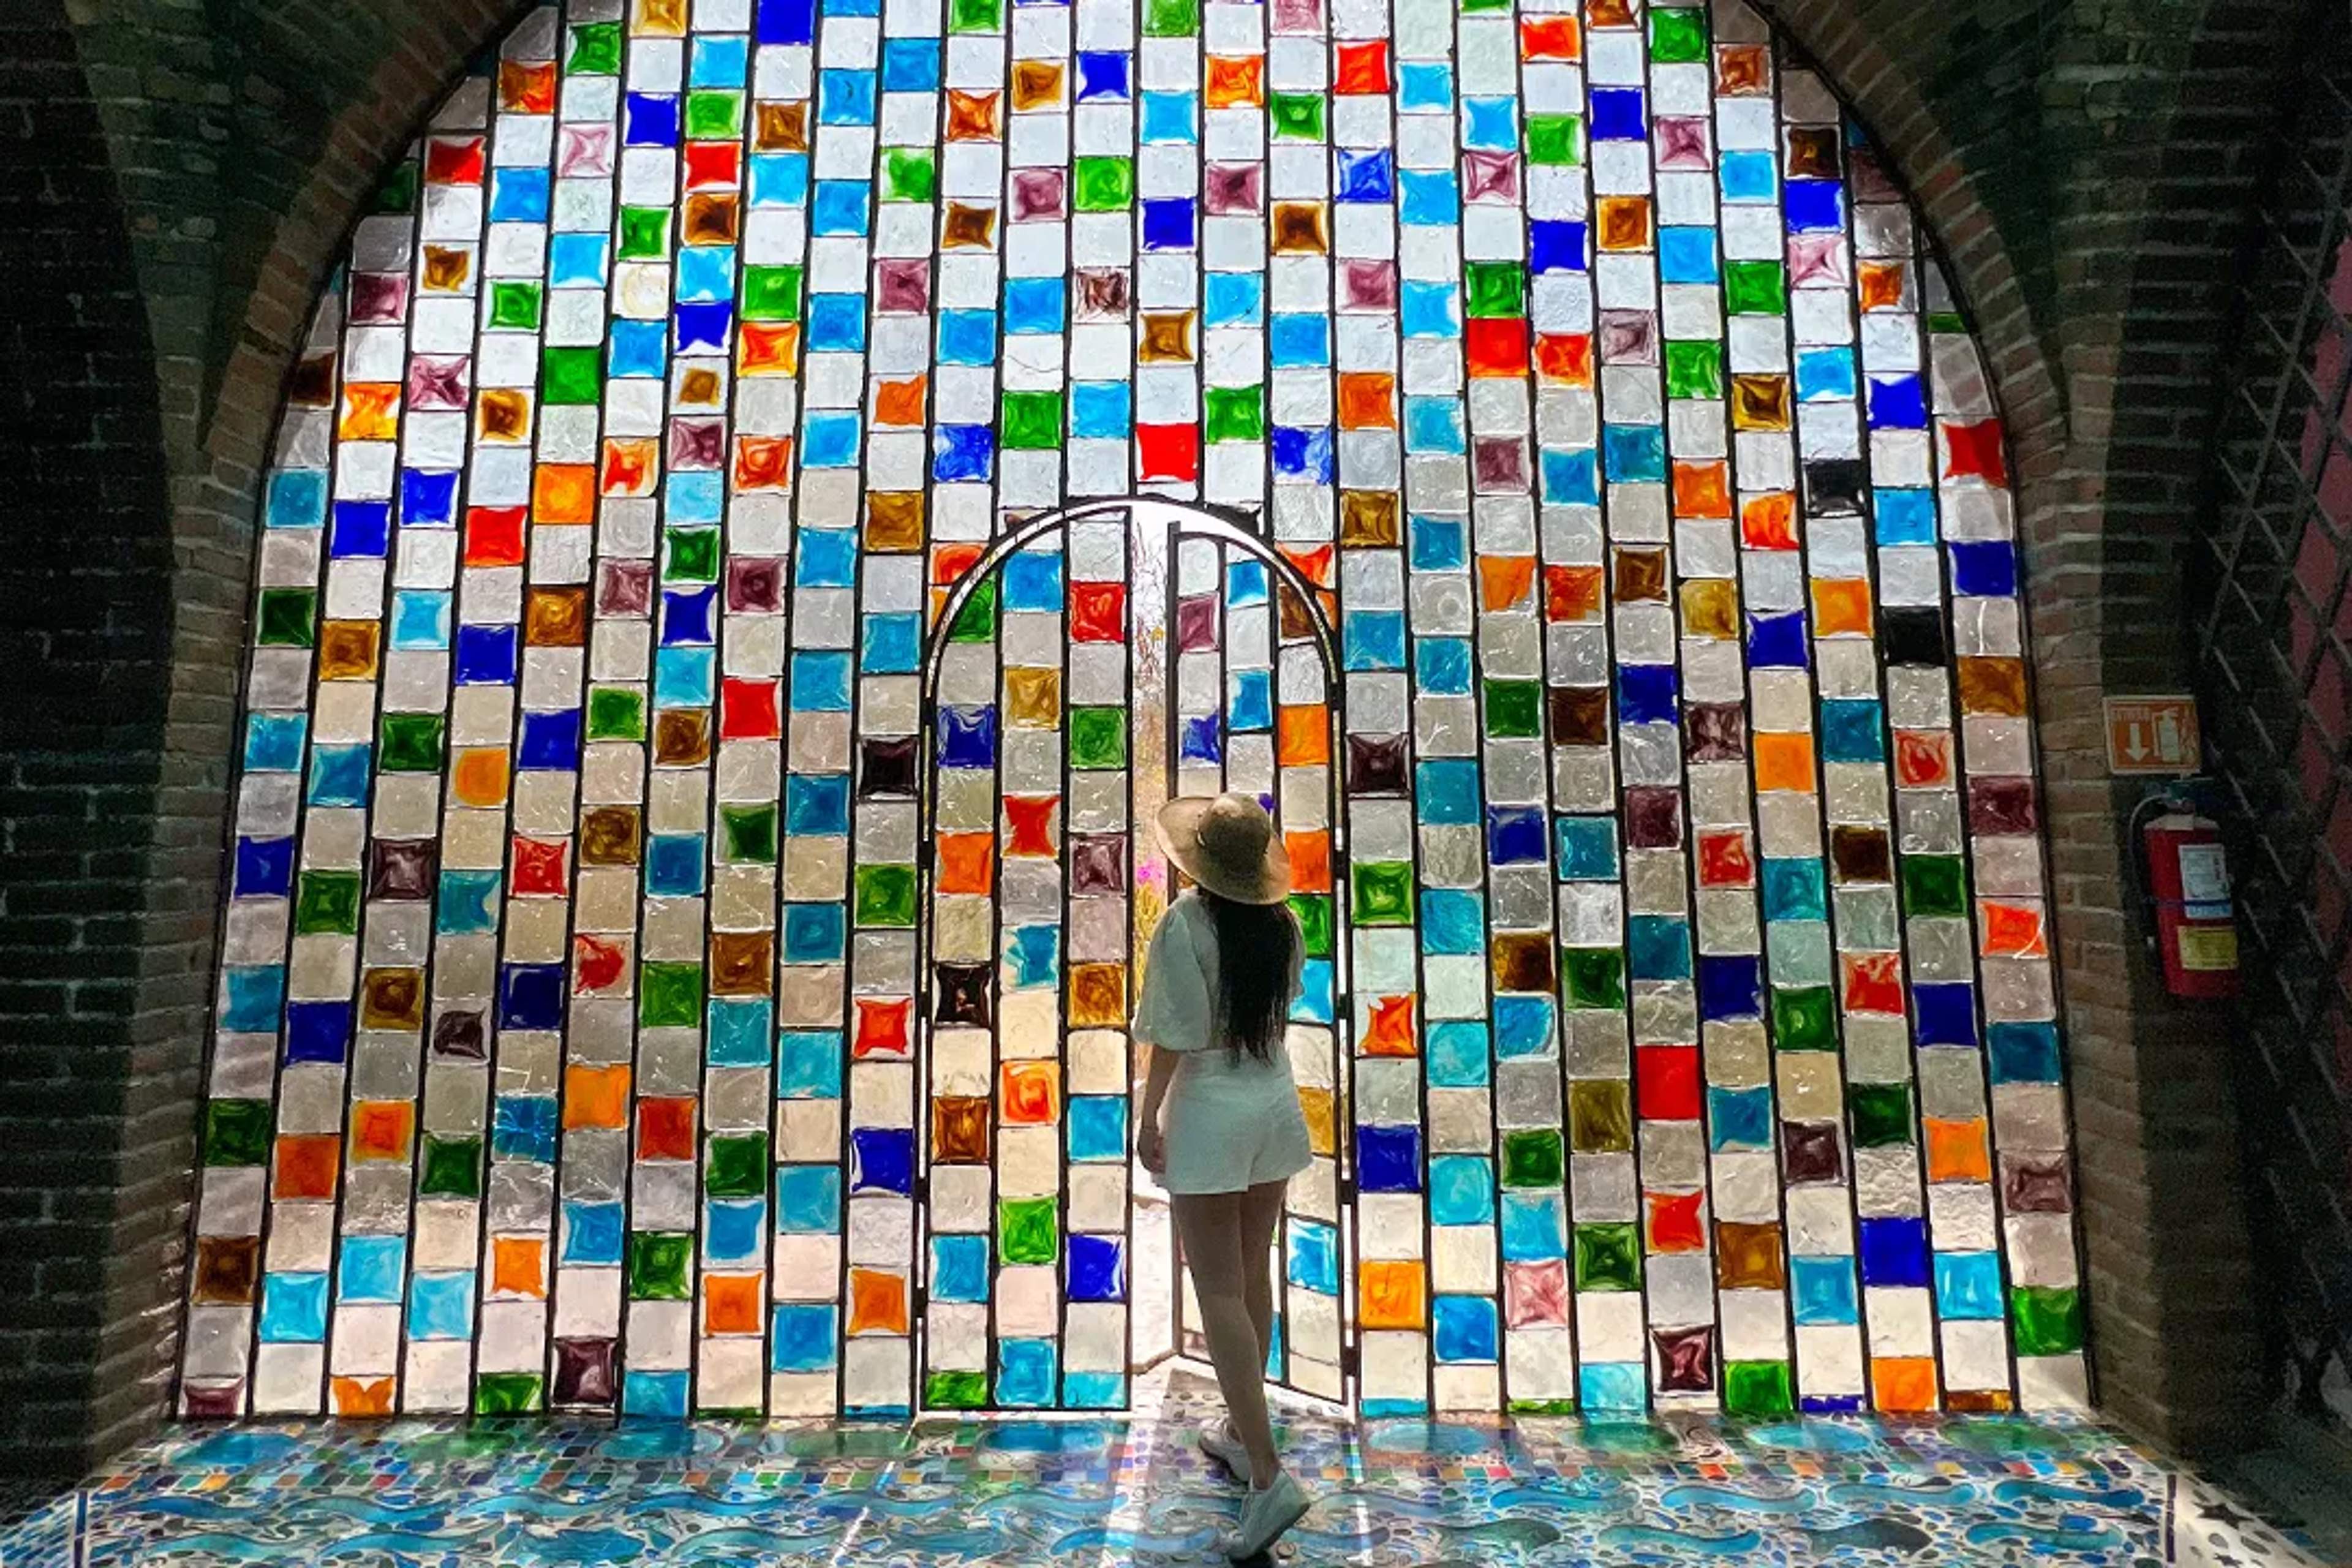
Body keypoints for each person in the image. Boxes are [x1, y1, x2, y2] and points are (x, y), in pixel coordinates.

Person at [1133, 791, 1314, 1561]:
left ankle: (1269, 1475)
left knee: (1216, 1288)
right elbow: (1282, 1009)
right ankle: (1241, 1432)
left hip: (1210, 1114)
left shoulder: (1186, 924)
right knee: (1251, 1273)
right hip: (1273, 1104)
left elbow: (1171, 1034)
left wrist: (1147, 1119)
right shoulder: (1284, 926)